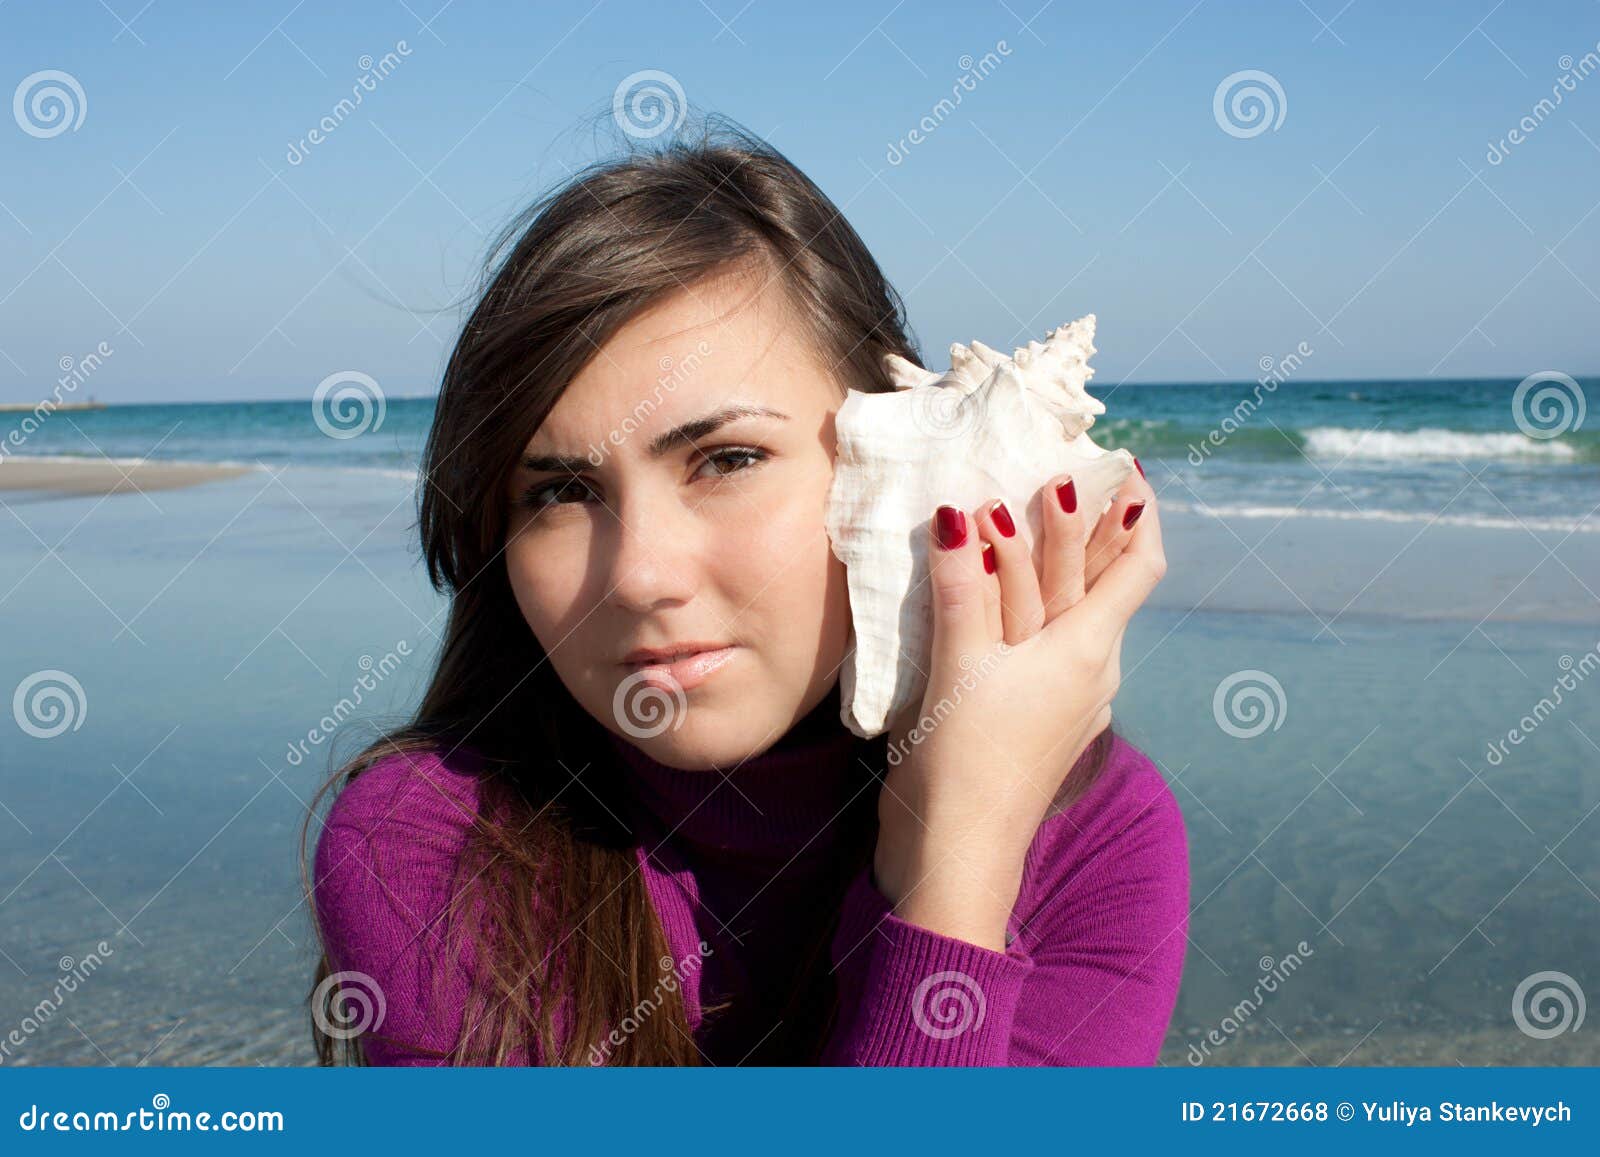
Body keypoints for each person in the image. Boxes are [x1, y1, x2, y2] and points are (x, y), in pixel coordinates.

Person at [304, 119, 1186, 1066]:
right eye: (561, 491)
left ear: (880, 457)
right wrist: (958, 875)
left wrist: (967, 839)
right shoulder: (429, 848)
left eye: (725, 458)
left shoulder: (1097, 837)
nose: (640, 577)